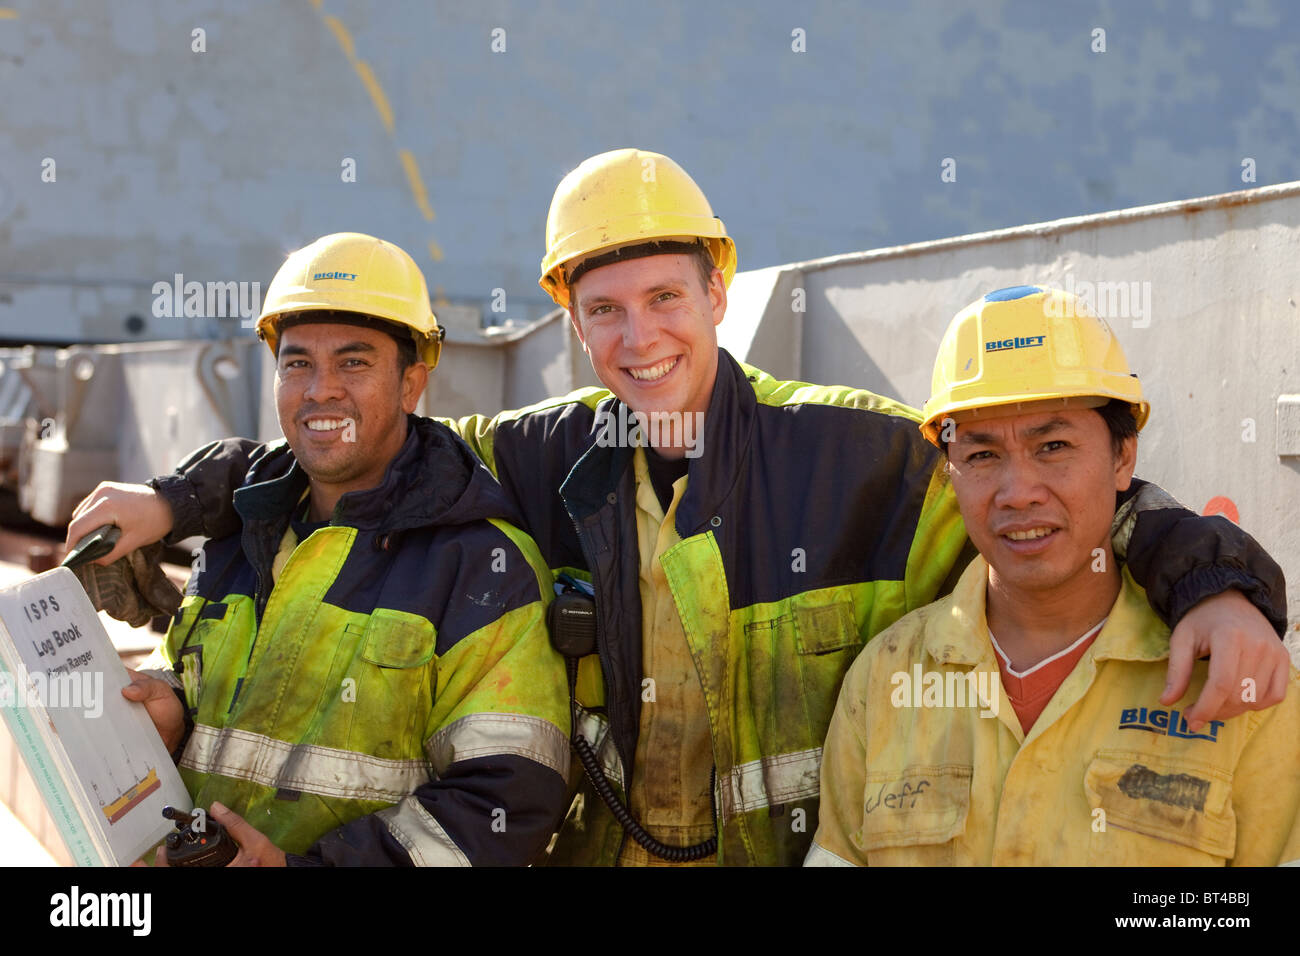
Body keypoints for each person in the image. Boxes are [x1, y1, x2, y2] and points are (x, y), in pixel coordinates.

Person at [70, 152, 1292, 867]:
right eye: (603, 309)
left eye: (664, 296)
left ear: (717, 289)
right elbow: (358, 439)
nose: (637, 336)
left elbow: (1047, 507)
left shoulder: (855, 455)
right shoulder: (541, 459)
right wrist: (179, 492)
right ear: (569, 321)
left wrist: (1213, 577)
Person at [116, 232, 570, 866]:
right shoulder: (236, 544)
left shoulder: (483, 570)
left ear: (412, 384)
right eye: (297, 363)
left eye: (354, 363)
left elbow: (504, 804)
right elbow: (201, 695)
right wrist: (170, 711)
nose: (320, 390)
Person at [808, 286, 1299, 865]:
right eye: (983, 455)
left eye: (1054, 446)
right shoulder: (885, 677)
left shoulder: (1244, 681)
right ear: (951, 471)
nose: (1018, 494)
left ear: (1123, 458)